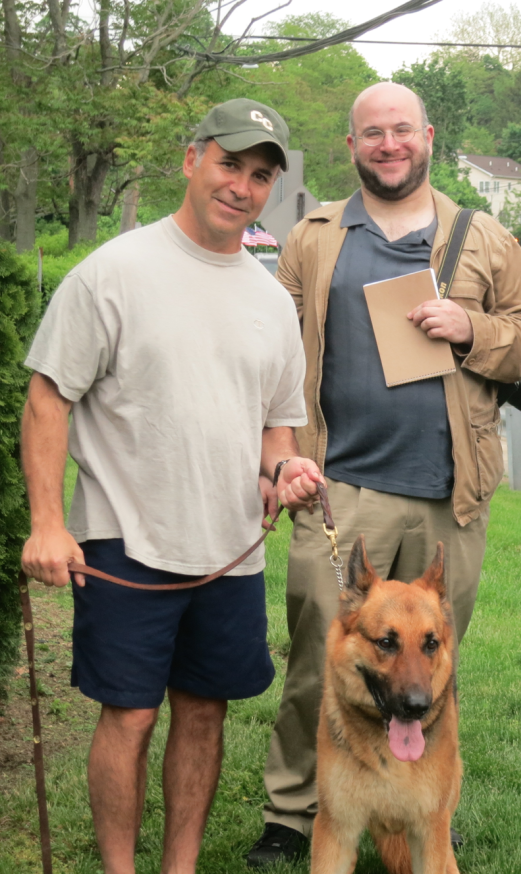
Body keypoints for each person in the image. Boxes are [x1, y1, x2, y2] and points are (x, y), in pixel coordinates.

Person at [248, 81, 521, 866]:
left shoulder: (483, 236)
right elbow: (274, 350)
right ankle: (295, 809)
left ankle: (418, 802)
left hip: (452, 490)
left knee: (423, 660)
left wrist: (470, 326)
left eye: (402, 131)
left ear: (428, 136)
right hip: (341, 488)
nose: (389, 144)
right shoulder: (313, 236)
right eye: (372, 133)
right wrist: (276, 456)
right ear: (352, 146)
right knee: (325, 650)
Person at [20, 98, 323, 874]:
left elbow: (276, 427)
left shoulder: (268, 300)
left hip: (229, 550)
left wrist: (282, 469)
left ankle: (178, 866)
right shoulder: (115, 272)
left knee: (204, 712)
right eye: (230, 164)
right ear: (191, 160)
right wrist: (49, 523)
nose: (242, 186)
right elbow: (49, 398)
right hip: (127, 537)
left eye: (261, 175)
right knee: (129, 716)